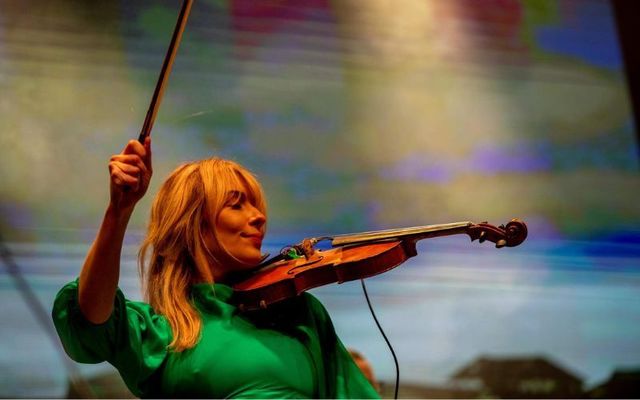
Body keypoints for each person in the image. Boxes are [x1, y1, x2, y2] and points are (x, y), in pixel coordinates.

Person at [52, 138, 380, 398]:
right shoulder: (159, 333)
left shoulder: (298, 313)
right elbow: (90, 318)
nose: (259, 216)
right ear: (189, 227)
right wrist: (118, 212)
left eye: (256, 204)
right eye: (236, 204)